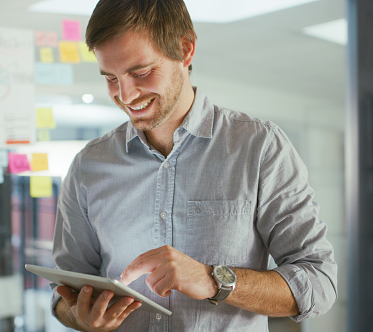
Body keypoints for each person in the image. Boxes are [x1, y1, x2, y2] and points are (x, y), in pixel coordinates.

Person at [50, 0, 338, 330]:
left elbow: (319, 283)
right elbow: (63, 294)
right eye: (110, 78)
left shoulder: (259, 148)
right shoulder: (89, 165)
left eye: (140, 73)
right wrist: (79, 316)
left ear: (185, 49)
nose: (126, 95)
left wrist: (213, 280)